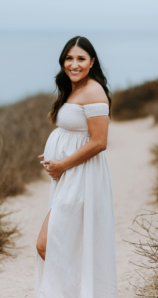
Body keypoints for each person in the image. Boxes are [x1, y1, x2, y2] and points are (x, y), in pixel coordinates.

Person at [34, 36, 118, 298]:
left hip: (81, 177)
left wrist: (62, 163)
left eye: (81, 58)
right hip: (69, 174)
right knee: (66, 244)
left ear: (92, 62)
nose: (74, 64)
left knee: (47, 244)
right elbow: (75, 133)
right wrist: (56, 153)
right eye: (69, 58)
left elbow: (100, 141)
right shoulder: (73, 89)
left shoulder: (93, 90)